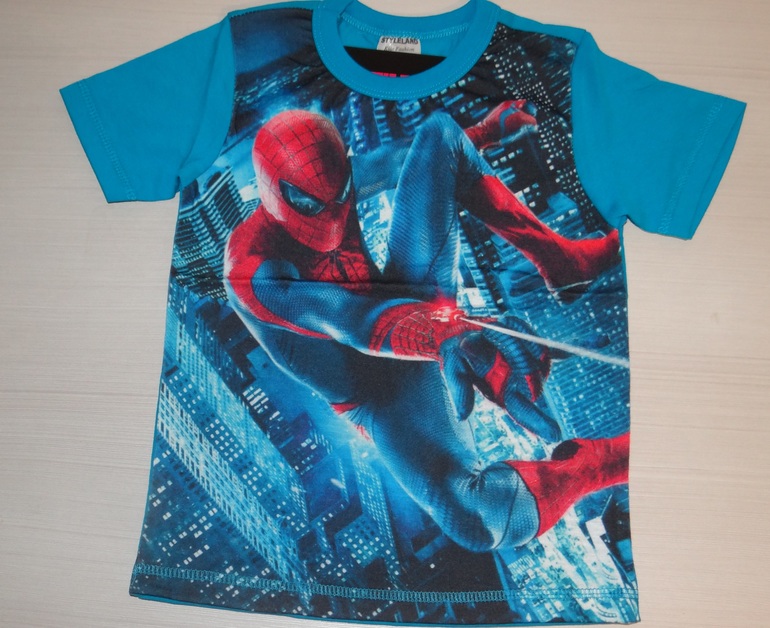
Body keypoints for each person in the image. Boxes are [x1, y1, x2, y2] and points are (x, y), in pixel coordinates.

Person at [224, 103, 628, 551]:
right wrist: (454, 333)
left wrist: (485, 130)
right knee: (479, 521)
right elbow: (353, 321)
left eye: (342, 193)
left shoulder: (336, 183)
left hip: (412, 307)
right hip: (379, 397)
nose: (333, 214)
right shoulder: (252, 272)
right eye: (309, 203)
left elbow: (413, 160)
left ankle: (564, 263)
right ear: (272, 194)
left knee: (440, 136)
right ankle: (602, 462)